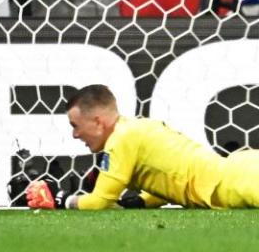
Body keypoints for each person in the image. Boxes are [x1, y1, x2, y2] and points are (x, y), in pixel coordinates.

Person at [26, 84, 259, 209]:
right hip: (239, 169)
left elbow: (98, 202)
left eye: (76, 125)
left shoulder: (121, 140)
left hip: (236, 182)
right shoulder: (134, 129)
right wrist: (140, 201)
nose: (75, 134)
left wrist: (61, 199)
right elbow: (170, 179)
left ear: (97, 122)